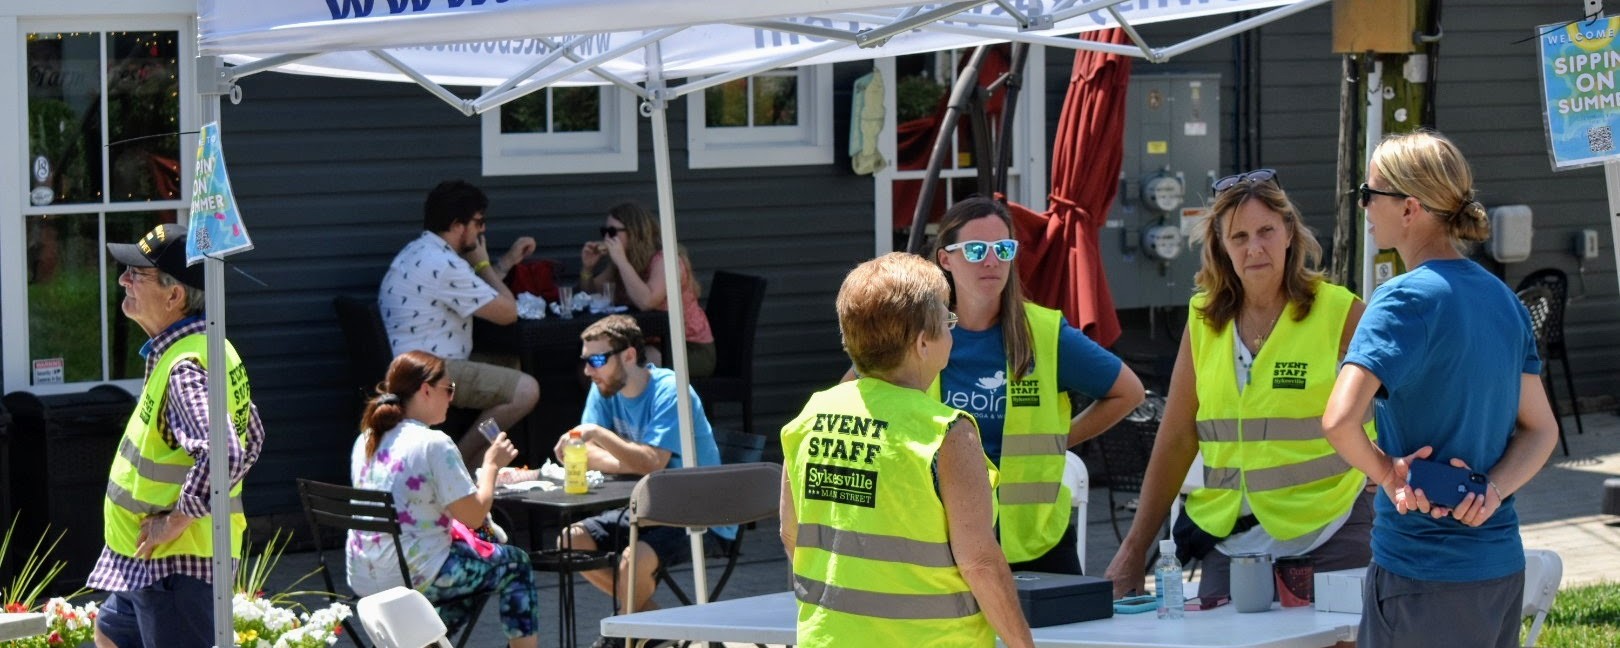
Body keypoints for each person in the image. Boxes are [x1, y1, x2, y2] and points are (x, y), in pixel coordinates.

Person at [1321, 131, 1558, 648]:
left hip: (1419, 574)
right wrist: (1492, 489)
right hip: (1498, 570)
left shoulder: (1401, 300)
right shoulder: (1504, 300)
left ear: (1409, 208)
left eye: (1369, 193)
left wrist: (1387, 472)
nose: (1363, 205)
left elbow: (1338, 420)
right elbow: (1541, 431)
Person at [1102, 170, 1376, 602]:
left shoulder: (1341, 312)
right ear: (1222, 247)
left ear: (1289, 232)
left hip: (1330, 534)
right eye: (1239, 237)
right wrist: (1134, 550)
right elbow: (1175, 439)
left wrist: (1388, 475)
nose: (1255, 248)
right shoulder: (1203, 320)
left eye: (1266, 230)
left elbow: (1405, 402)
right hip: (1230, 543)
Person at [781, 252, 1034, 648]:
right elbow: (980, 563)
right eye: (947, 323)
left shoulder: (810, 417)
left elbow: (792, 534)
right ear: (922, 343)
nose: (952, 333)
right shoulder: (947, 433)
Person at [928, 196, 1144, 574]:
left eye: (1004, 248)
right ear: (945, 258)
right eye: (976, 250)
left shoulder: (1044, 332)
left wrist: (1056, 438)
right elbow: (856, 395)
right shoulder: (920, 335)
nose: (992, 260)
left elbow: (1129, 392)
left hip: (1035, 542)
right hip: (943, 541)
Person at [90, 223, 266, 648]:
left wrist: (177, 520)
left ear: (175, 295)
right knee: (109, 631)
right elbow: (254, 435)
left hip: (176, 568)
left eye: (137, 273)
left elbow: (225, 451)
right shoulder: (206, 346)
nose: (123, 279)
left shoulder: (186, 365)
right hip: (150, 566)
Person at [347, 351, 540, 648]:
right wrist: (490, 466)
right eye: (449, 389)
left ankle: (420, 644)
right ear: (426, 390)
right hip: (415, 574)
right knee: (515, 564)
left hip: (363, 574)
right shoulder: (433, 443)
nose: (452, 398)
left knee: (469, 578)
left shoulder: (368, 437)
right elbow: (474, 517)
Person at [552, 315, 730, 629]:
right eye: (585, 361)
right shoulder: (606, 387)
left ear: (629, 355)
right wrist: (630, 459)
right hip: (643, 509)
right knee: (571, 541)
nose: (588, 371)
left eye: (596, 360)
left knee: (632, 564)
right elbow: (584, 453)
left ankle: (625, 632)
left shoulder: (671, 390)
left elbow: (649, 462)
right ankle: (651, 627)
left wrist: (601, 435)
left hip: (699, 513)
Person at [380, 180, 540, 465]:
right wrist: (483, 263)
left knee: (511, 364)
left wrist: (507, 262)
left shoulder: (419, 252)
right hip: (431, 370)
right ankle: (457, 465)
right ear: (458, 225)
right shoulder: (444, 264)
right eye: (478, 222)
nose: (483, 230)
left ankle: (482, 461)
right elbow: (507, 312)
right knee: (526, 389)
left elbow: (477, 294)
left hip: (412, 363)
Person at [579, 201, 717, 376]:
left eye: (613, 232)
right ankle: (613, 404)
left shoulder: (665, 259)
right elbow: (593, 293)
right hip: (647, 344)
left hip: (687, 348)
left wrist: (621, 261)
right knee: (593, 367)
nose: (607, 238)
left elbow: (647, 301)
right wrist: (587, 268)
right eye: (605, 232)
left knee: (634, 363)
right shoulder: (625, 261)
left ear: (635, 232)